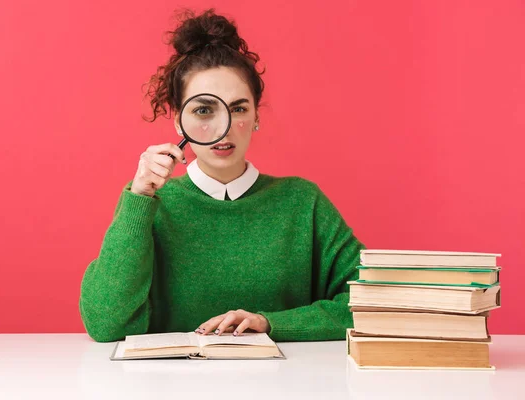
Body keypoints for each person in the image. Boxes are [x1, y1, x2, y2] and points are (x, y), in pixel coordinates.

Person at [79, 9, 365, 343]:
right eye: (203, 110)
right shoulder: (153, 205)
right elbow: (105, 323)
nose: (222, 128)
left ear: (257, 115)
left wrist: (270, 324)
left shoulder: (302, 202)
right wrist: (139, 199)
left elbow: (370, 303)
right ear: (178, 122)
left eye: (239, 109)